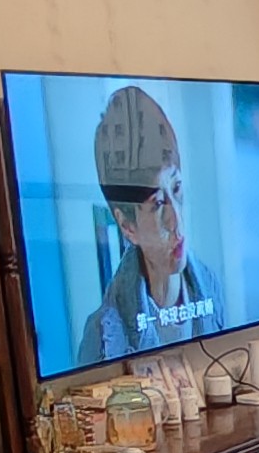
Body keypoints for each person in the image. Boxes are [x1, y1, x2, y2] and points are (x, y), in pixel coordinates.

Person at [73, 85, 221, 366]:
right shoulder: (102, 334)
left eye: (177, 188)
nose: (176, 221)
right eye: (158, 203)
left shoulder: (210, 286)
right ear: (127, 226)